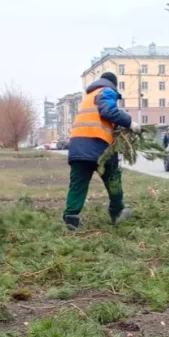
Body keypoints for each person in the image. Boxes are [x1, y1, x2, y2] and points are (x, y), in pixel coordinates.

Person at [63, 72, 140, 230]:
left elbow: (99, 118)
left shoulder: (89, 97)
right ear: (114, 84)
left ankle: (71, 217)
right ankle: (117, 212)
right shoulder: (106, 91)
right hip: (99, 147)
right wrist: (130, 123)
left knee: (78, 183)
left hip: (78, 147)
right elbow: (108, 112)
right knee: (113, 179)